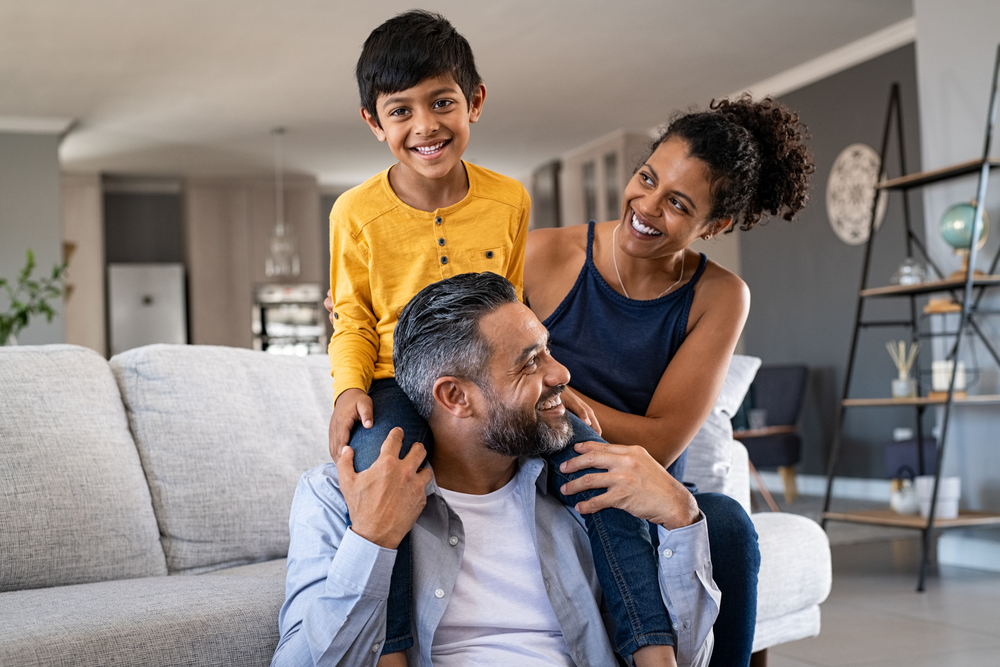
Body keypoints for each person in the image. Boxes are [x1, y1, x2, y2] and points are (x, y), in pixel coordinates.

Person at [328, 10, 682, 663]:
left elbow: (513, 309)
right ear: (374, 124)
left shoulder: (509, 198)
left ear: (476, 102)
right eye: (400, 111)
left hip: (492, 379)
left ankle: (650, 643)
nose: (425, 125)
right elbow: (351, 315)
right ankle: (394, 651)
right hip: (395, 378)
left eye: (442, 103)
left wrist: (546, 383)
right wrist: (349, 387)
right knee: (385, 470)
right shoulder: (353, 212)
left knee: (592, 458)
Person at [274, 272, 720, 667]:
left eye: (549, 351)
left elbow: (686, 659)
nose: (562, 373)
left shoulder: (589, 488)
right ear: (455, 397)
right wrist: (370, 541)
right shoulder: (335, 497)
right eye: (530, 362)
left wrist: (681, 514)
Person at [523, 96, 814, 666]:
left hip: (653, 491)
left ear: (717, 225)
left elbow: (660, 441)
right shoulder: (541, 254)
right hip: (547, 473)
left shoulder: (720, 295)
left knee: (729, 524)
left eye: (677, 203)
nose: (646, 206)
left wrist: (556, 393)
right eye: (647, 178)